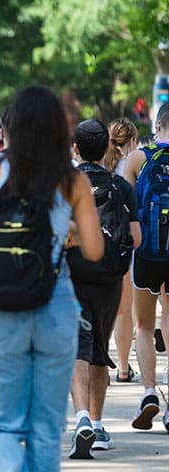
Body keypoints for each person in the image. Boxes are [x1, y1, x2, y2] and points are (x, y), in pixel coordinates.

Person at [0, 85, 104, 471]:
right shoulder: (71, 181)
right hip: (54, 305)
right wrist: (69, 227)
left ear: (12, 129)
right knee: (45, 426)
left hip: (2, 309)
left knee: (3, 425)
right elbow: (94, 251)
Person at [67, 119, 140, 459]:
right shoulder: (122, 187)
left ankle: (81, 416)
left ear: (76, 149)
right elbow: (136, 238)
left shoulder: (65, 185)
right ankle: (97, 425)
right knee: (99, 347)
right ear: (107, 149)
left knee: (77, 349)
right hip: (110, 278)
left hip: (74, 276)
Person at [124, 102, 169, 432]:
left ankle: (150, 391)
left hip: (147, 252)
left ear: (157, 125)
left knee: (143, 325)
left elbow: (126, 205)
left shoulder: (139, 157)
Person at [104, 117, 139, 383]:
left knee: (99, 308)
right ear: (133, 142)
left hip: (96, 243)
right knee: (124, 310)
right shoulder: (134, 164)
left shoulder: (97, 163)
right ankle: (124, 368)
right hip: (124, 243)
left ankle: (98, 366)